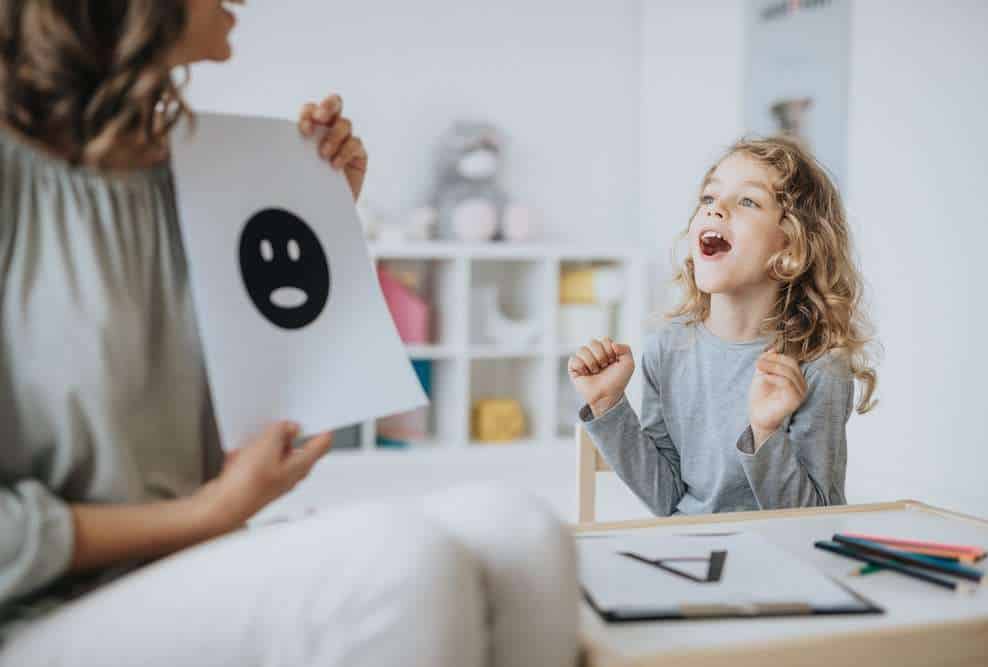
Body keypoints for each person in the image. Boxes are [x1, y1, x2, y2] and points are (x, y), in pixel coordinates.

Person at [0, 2, 578, 665]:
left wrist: (321, 215)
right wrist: (209, 513)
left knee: (521, 533)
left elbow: (275, 395)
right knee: (398, 565)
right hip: (43, 605)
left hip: (183, 563)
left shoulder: (197, 169)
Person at [569, 136, 879, 517]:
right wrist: (607, 405)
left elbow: (814, 522)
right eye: (709, 198)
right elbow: (665, 499)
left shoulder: (819, 366)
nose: (716, 209)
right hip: (689, 551)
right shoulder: (668, 349)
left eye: (747, 201)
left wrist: (765, 432)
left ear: (792, 249)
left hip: (780, 560)